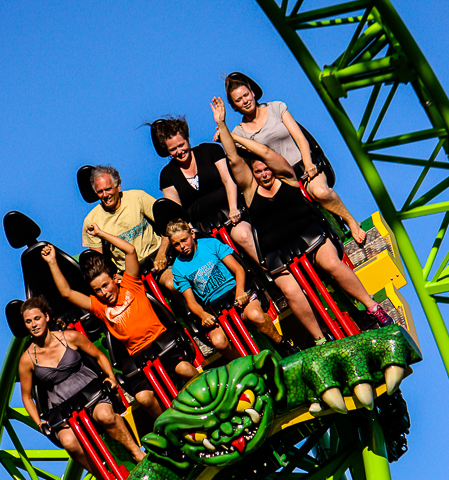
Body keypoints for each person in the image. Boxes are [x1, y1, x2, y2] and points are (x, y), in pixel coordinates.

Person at [211, 95, 393, 343]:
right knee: (291, 291)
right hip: (277, 248)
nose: (264, 174)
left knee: (331, 263)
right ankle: (320, 338)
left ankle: (373, 308)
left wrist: (234, 136)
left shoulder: (286, 176)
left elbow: (265, 151)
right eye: (258, 171)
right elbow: (234, 160)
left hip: (307, 232)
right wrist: (222, 126)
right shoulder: (251, 190)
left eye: (266, 169)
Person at [42, 226, 198, 418]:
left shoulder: (131, 284)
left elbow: (130, 250)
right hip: (139, 355)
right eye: (97, 290)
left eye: (105, 285)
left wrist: (100, 234)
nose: (104, 293)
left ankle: (210, 398)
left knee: (184, 369)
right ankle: (170, 424)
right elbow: (67, 293)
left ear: (115, 278)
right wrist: (52, 263)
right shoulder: (100, 306)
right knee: (144, 398)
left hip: (163, 342)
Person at [224, 72, 366, 244]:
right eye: (238, 100)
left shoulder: (276, 108)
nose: (245, 101)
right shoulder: (239, 132)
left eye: (246, 95)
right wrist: (225, 135)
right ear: (233, 106)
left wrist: (308, 163)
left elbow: (300, 137)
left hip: (301, 167)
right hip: (279, 181)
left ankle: (350, 220)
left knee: (320, 192)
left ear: (253, 93)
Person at [18, 296, 145, 472]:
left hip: (90, 391)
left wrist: (111, 377)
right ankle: (104, 478)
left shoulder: (70, 337)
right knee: (69, 442)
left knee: (104, 416)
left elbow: (99, 356)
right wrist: (39, 422)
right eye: (28, 322)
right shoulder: (26, 360)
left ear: (46, 317)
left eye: (37, 318)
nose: (33, 325)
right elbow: (26, 396)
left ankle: (136, 452)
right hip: (62, 405)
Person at [166, 218, 296, 360]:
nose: (182, 246)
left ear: (192, 234)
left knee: (255, 315)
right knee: (218, 341)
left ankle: (283, 345)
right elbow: (191, 302)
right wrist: (203, 315)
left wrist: (240, 291)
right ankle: (245, 366)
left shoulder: (211, 244)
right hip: (214, 308)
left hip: (235, 292)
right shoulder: (179, 267)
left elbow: (238, 269)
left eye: (184, 240)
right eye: (176, 244)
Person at [153, 116, 259, 264]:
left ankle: (267, 271)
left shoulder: (210, 150)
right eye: (173, 149)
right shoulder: (167, 175)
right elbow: (177, 212)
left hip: (230, 214)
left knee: (243, 235)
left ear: (187, 139)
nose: (179, 151)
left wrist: (233, 208)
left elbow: (228, 180)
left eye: (181, 145)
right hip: (201, 230)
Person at [81, 165, 176, 292]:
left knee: (171, 284)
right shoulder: (92, 220)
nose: (105, 195)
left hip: (156, 257)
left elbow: (168, 225)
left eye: (108, 189)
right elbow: (99, 264)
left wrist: (162, 254)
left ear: (118, 186)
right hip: (129, 273)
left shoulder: (137, 198)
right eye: (100, 191)